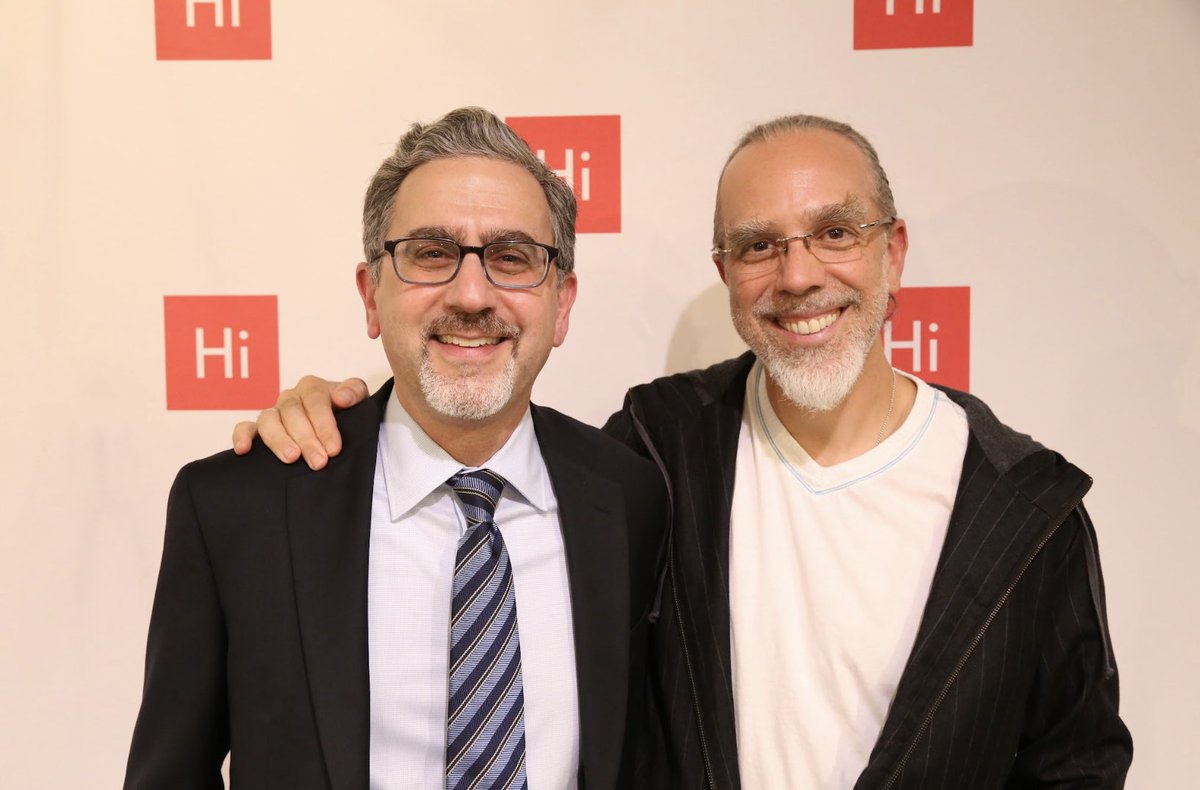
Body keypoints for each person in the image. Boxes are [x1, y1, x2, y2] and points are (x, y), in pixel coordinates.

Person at [236, 114, 1133, 788]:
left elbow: (1077, 765)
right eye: (758, 246)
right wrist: (331, 417)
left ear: (893, 253)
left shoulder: (1027, 510)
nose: (797, 275)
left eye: (836, 232)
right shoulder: (658, 456)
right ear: (726, 273)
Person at [126, 107, 668, 790]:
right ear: (372, 295)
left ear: (561, 304)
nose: (472, 295)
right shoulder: (239, 507)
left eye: (511, 258)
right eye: (432, 254)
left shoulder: (630, 499)